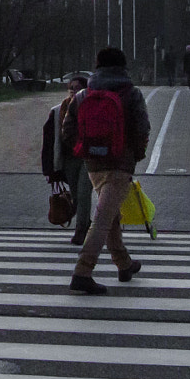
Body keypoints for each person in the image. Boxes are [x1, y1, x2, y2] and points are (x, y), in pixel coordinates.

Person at [66, 45, 152, 294]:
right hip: (119, 163)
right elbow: (142, 127)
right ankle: (83, 271)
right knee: (103, 219)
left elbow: (67, 127)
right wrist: (136, 154)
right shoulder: (131, 93)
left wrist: (82, 149)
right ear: (123, 67)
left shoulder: (83, 94)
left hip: (93, 163)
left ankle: (123, 264)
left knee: (111, 214)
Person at [41, 73, 93, 245]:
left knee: (84, 193)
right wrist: (49, 170)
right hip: (69, 158)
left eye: (78, 88)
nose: (73, 91)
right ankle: (86, 223)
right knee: (76, 195)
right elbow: (49, 142)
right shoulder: (58, 111)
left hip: (88, 157)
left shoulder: (92, 108)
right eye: (71, 88)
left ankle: (81, 230)